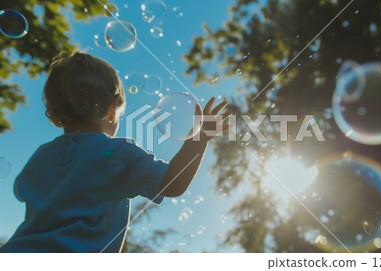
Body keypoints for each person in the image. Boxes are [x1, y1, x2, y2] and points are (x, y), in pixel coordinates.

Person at [0, 52, 231, 252]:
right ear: (112, 110)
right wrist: (199, 138)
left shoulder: (42, 155)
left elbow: (21, 190)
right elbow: (173, 183)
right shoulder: (116, 153)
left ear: (53, 115)